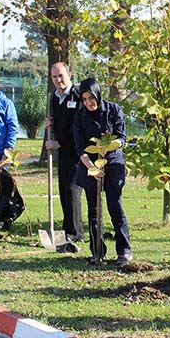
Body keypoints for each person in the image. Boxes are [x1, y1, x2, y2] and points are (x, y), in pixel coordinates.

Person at [72, 77, 132, 266]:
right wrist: (91, 168)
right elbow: (81, 148)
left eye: (91, 97)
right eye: (84, 99)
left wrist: (113, 145)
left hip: (113, 162)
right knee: (93, 211)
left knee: (115, 206)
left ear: (98, 94)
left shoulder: (113, 110)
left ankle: (124, 251)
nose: (89, 102)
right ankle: (97, 252)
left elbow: (122, 137)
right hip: (90, 165)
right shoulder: (79, 117)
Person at [45, 62, 84, 242]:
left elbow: (78, 127)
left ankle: (76, 233)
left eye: (61, 75)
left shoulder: (77, 96)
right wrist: (50, 124)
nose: (58, 80)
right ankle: (68, 230)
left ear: (69, 74)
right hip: (63, 153)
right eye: (54, 77)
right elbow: (59, 121)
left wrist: (59, 142)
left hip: (77, 152)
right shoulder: (54, 98)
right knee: (64, 190)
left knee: (72, 190)